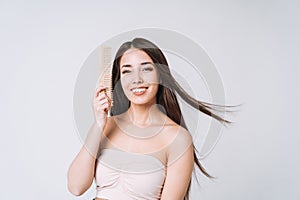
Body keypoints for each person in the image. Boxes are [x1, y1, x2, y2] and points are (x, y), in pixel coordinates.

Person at [67, 38, 231, 200]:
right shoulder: (105, 126)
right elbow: (76, 187)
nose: (136, 79)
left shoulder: (177, 138)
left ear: (160, 75)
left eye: (146, 69)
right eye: (127, 71)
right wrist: (99, 124)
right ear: (119, 80)